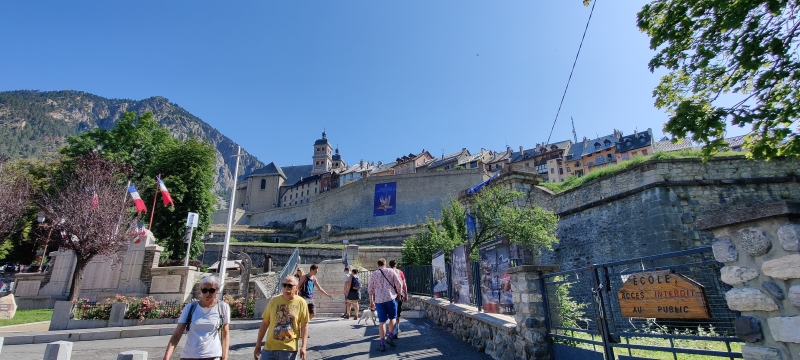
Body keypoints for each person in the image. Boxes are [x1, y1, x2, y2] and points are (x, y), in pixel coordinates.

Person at [163, 276, 231, 360]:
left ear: (217, 291)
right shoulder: (190, 307)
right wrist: (166, 357)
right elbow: (177, 335)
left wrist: (225, 357)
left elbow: (225, 334)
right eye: (204, 290)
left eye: (211, 290)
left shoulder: (223, 307)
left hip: (212, 355)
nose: (207, 293)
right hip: (189, 355)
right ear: (200, 290)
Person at [254, 275, 310, 360]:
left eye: (290, 285)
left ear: (297, 287)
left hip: (288, 349)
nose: (286, 287)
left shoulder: (301, 303)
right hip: (269, 348)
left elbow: (304, 326)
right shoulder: (274, 301)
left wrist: (303, 347)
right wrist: (258, 344)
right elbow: (265, 323)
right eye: (284, 285)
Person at [368, 258, 403, 352]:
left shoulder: (374, 274)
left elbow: (370, 289)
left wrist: (371, 301)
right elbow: (399, 284)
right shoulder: (391, 271)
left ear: (377, 264)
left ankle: (382, 344)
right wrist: (399, 294)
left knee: (382, 322)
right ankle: (390, 336)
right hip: (391, 298)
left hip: (379, 300)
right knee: (393, 318)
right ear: (385, 264)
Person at [388, 260, 408, 338]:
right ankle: (396, 329)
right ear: (396, 265)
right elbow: (404, 284)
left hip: (391, 294)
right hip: (400, 294)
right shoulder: (400, 272)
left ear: (389, 265)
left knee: (392, 313)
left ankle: (391, 330)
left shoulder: (388, 272)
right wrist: (406, 294)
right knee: (398, 312)